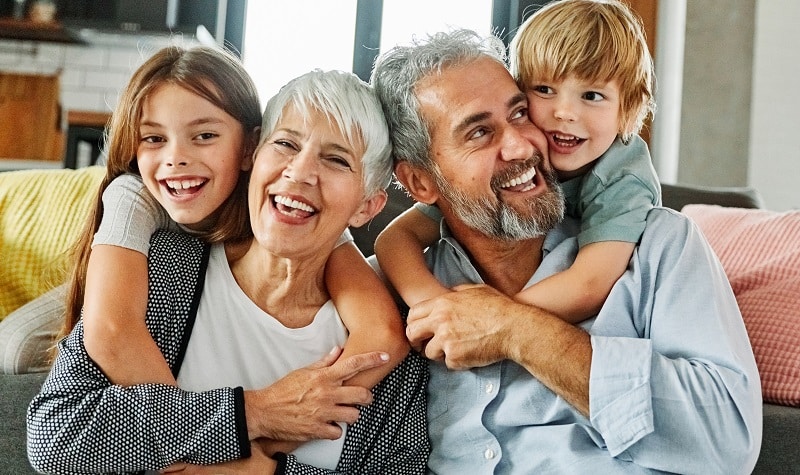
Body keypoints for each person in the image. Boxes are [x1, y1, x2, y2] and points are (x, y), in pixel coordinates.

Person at [370, 28, 762, 474]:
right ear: (420, 182)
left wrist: (515, 329)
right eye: (480, 132)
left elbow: (728, 441)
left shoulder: (658, 246)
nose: (521, 145)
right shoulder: (382, 294)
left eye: (520, 114)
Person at [28, 69, 428, 474]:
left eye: (337, 159)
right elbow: (54, 436)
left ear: (367, 207)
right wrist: (253, 412)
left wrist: (267, 471)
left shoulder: (392, 359)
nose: (300, 172)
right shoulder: (166, 269)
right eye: (286, 143)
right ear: (254, 155)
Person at [56, 44, 406, 392]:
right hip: (102, 278)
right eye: (154, 138)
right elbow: (110, 329)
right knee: (18, 345)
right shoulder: (134, 199)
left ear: (248, 148)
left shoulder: (295, 213)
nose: (176, 157)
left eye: (205, 136)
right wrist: (231, 433)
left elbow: (381, 330)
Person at [375, 0, 659, 323]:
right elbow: (395, 239)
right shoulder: (528, 154)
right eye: (544, 90)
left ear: (628, 109)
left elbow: (590, 284)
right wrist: (435, 306)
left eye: (591, 96)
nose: (564, 113)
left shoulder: (622, 176)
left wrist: (486, 320)